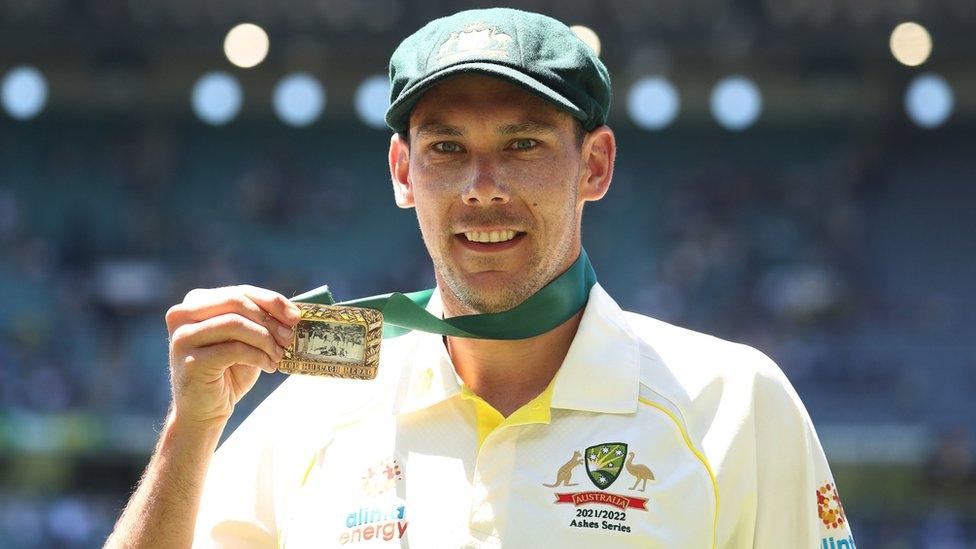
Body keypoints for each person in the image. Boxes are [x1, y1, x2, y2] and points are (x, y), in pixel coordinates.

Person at [108, 8, 856, 548]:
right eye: (447, 147)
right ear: (404, 173)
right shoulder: (310, 417)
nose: (482, 185)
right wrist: (191, 431)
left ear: (594, 164)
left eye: (523, 143)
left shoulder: (733, 402)